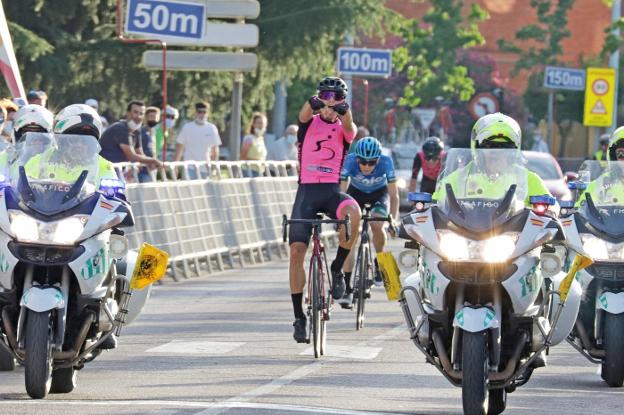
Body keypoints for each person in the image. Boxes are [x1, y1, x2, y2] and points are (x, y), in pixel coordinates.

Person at [289, 76, 361, 343]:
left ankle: (337, 268)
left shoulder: (345, 129)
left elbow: (350, 125)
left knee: (354, 214)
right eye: (325, 100)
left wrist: (343, 107)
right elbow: (304, 113)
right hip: (306, 193)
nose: (330, 108)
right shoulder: (308, 125)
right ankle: (299, 317)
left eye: (336, 101)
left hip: (331, 192)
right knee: (297, 252)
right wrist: (318, 101)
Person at [433, 112, 551, 205]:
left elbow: (551, 208)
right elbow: (436, 206)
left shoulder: (527, 179)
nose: (497, 152)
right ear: (477, 149)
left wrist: (551, 210)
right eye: (489, 146)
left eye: (505, 147)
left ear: (514, 151)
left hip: (518, 236)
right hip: (463, 235)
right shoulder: (458, 179)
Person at [338, 137, 399, 306]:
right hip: (355, 193)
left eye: (372, 162)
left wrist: (392, 219)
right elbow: (341, 192)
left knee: (377, 224)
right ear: (356, 157)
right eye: (362, 162)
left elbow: (394, 196)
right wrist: (340, 218)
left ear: (378, 159)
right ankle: (347, 287)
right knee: (350, 235)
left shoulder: (386, 162)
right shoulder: (349, 161)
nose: (366, 166)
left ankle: (380, 262)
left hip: (379, 194)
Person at [99, 100, 162, 174]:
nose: (138, 116)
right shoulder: (120, 128)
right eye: (135, 112)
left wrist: (149, 163)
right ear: (128, 113)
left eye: (141, 114)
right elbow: (131, 156)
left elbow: (140, 152)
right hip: (104, 170)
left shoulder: (137, 131)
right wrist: (153, 161)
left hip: (117, 170)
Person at [175, 102, 221, 174]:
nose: (202, 114)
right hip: (189, 168)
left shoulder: (212, 128)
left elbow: (215, 149)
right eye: (199, 112)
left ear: (207, 113)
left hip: (206, 168)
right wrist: (176, 166)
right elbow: (179, 147)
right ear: (195, 113)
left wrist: (214, 167)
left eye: (204, 112)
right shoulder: (187, 127)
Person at [241, 112, 268, 176]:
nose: (261, 125)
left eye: (263, 123)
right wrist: (257, 161)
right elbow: (242, 156)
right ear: (253, 124)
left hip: (259, 171)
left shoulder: (261, 139)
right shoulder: (249, 138)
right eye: (258, 123)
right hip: (249, 171)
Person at [138, 106, 160, 182]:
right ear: (146, 117)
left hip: (152, 169)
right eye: (151, 116)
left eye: (155, 117)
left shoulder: (154, 132)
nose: (153, 119)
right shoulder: (141, 132)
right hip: (142, 170)